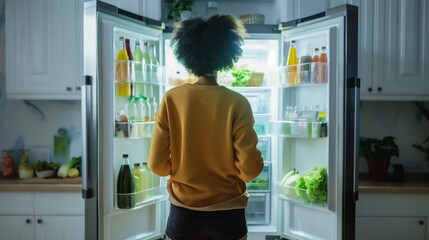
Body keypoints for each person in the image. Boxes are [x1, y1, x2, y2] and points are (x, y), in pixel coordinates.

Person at [148, 14, 264, 240]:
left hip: (183, 215)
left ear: (187, 55)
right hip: (229, 216)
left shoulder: (171, 99)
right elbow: (250, 170)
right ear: (226, 55)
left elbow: (157, 165)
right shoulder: (237, 103)